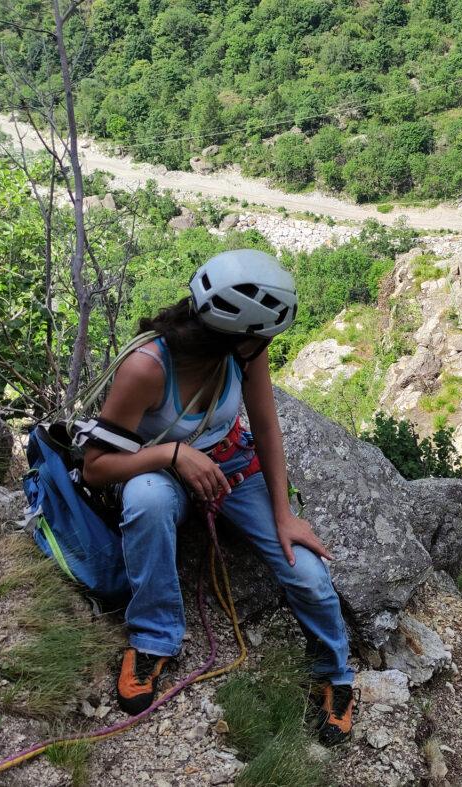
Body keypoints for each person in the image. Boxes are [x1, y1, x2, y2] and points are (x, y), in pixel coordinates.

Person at [81, 249, 356, 746]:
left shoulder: (243, 354)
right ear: (237, 335)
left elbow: (266, 427)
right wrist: (172, 455)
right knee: (147, 500)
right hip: (157, 469)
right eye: (263, 337)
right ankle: (153, 638)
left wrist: (283, 513)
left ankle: (334, 674)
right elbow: (96, 467)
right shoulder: (146, 368)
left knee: (309, 573)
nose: (267, 344)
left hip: (231, 464)